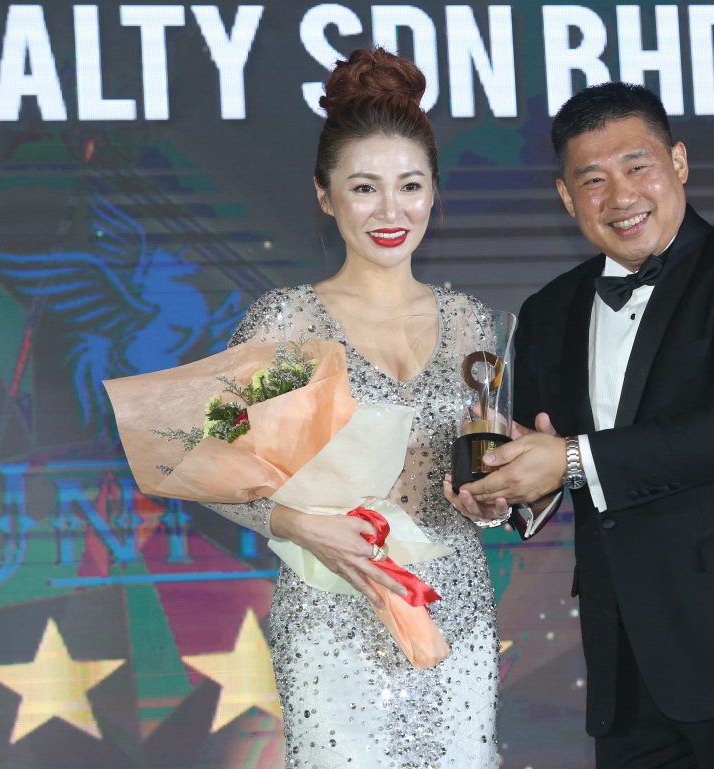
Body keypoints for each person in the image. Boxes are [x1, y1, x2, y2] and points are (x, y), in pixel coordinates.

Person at [453, 82, 714, 768]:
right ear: (565, 196)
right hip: (627, 668)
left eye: (636, 166)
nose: (620, 196)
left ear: (678, 162)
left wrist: (571, 462)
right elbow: (540, 448)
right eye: (593, 178)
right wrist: (503, 491)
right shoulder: (549, 309)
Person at [205, 48, 499, 768]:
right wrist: (305, 526)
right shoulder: (287, 321)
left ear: (434, 193)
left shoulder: (473, 324)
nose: (390, 210)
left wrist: (493, 496)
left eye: (409, 185)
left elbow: (474, 466)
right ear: (325, 194)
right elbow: (201, 461)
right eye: (364, 187)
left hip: (451, 604)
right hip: (331, 610)